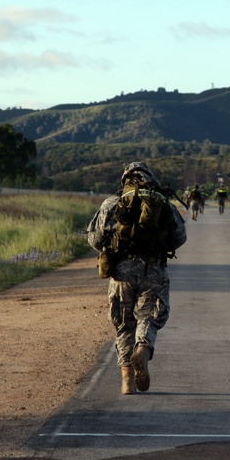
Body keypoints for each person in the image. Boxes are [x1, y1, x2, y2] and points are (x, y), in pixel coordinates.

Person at [87, 162, 188, 394]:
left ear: (125, 179)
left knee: (123, 325)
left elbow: (94, 240)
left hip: (121, 273)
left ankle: (127, 381)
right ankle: (142, 348)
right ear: (149, 177)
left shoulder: (111, 203)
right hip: (153, 269)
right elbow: (180, 237)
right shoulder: (161, 201)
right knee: (149, 317)